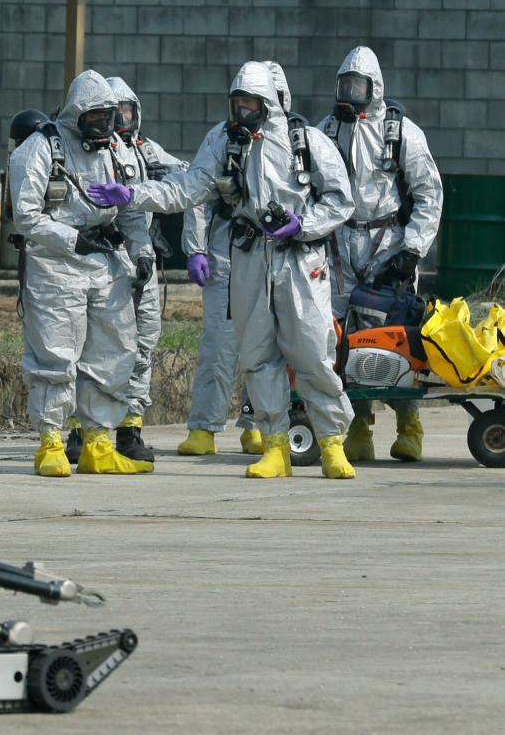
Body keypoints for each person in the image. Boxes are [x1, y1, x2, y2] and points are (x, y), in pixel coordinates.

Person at [86, 61, 357, 479]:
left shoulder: (307, 140)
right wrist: (133, 194)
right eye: (237, 103)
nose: (242, 111)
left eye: (251, 103)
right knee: (256, 354)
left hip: (301, 260)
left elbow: (341, 200)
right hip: (248, 256)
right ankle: (276, 446)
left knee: (312, 352)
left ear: (268, 103)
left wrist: (303, 225)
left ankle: (333, 442)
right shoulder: (222, 141)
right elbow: (186, 188)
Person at [10, 69, 155, 477]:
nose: (103, 127)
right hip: (55, 266)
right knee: (55, 355)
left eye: (109, 119)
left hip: (106, 262)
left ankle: (98, 443)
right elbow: (26, 217)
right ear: (77, 114)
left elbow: (131, 209)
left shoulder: (117, 151)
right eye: (95, 119)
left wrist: (142, 254)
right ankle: (51, 442)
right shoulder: (40, 149)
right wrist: (73, 240)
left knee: (113, 351)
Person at [317, 46, 444, 463]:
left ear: (374, 87)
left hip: (387, 243)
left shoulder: (401, 131)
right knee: (343, 338)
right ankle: (357, 425)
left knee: (397, 337)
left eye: (357, 86)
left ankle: (410, 426)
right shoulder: (327, 130)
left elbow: (428, 192)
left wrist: (412, 249)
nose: (349, 92)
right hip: (339, 244)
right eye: (344, 85)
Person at [175, 59, 300, 458]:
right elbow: (196, 193)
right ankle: (205, 427)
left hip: (280, 256)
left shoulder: (296, 142)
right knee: (219, 344)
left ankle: (258, 423)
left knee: (271, 348)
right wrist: (195, 248)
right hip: (229, 251)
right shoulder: (222, 138)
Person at [105, 75, 188, 462]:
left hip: (143, 258)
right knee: (93, 346)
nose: (122, 120)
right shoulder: (89, 151)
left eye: (127, 111)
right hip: (103, 256)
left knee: (142, 345)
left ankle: (130, 428)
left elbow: (191, 178)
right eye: (114, 112)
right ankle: (79, 429)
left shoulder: (147, 151)